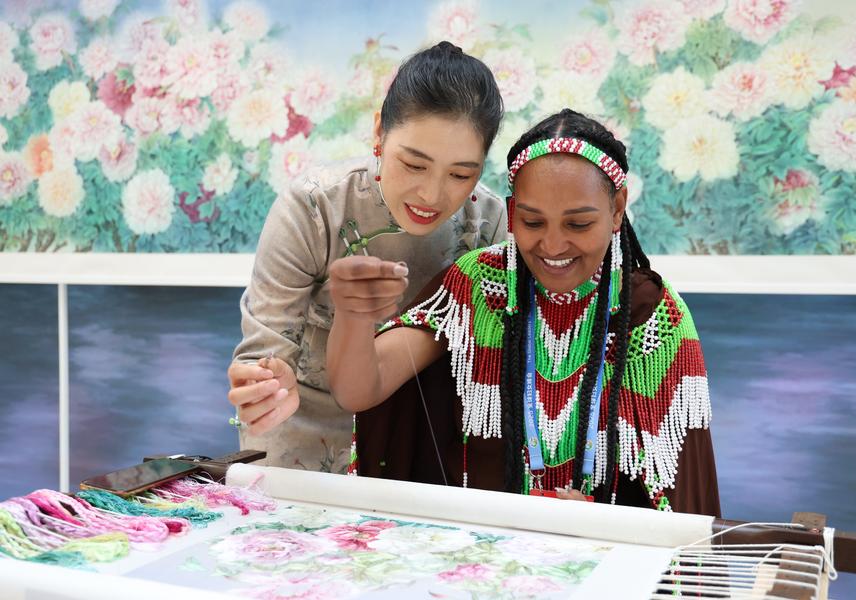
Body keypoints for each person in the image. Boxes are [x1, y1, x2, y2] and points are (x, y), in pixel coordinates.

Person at [327, 109, 720, 515]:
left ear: (617, 208)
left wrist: (601, 522)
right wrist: (352, 313)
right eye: (532, 222)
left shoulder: (651, 315)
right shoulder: (480, 286)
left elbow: (678, 505)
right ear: (513, 211)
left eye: (578, 225)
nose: (552, 245)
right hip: (480, 546)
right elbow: (359, 389)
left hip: (603, 548)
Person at [228, 41, 506, 472]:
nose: (432, 195)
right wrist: (266, 383)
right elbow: (264, 348)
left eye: (460, 174)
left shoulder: (488, 223)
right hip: (302, 428)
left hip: (418, 442)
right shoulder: (316, 207)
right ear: (379, 132)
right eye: (414, 165)